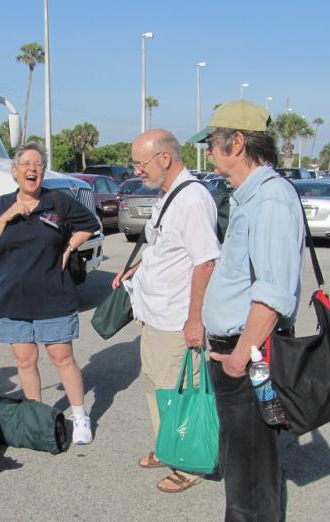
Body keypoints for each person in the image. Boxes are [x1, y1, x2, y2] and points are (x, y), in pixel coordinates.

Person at [197, 100, 305, 520]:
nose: (208, 152)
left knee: (252, 472)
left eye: (212, 143)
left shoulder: (271, 200)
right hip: (240, 352)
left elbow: (273, 294)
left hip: (251, 356)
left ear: (236, 143)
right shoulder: (249, 196)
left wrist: (240, 357)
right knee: (241, 465)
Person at [111, 129, 220, 493]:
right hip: (155, 315)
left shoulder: (192, 200)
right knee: (156, 386)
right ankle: (165, 444)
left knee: (179, 391)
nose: (137, 171)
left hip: (176, 319)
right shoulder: (167, 196)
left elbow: (205, 263)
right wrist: (136, 269)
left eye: (141, 163)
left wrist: (194, 320)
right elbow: (165, 249)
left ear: (165, 158)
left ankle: (187, 464)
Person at [0, 142, 100, 445]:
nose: (32, 169)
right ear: (15, 172)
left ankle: (79, 415)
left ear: (43, 172)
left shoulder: (56, 200)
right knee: (25, 361)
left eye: (38, 165)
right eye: (26, 164)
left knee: (62, 357)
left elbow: (91, 224)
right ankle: (38, 419)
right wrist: (7, 216)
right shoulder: (2, 204)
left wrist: (70, 245)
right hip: (14, 297)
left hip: (53, 295)